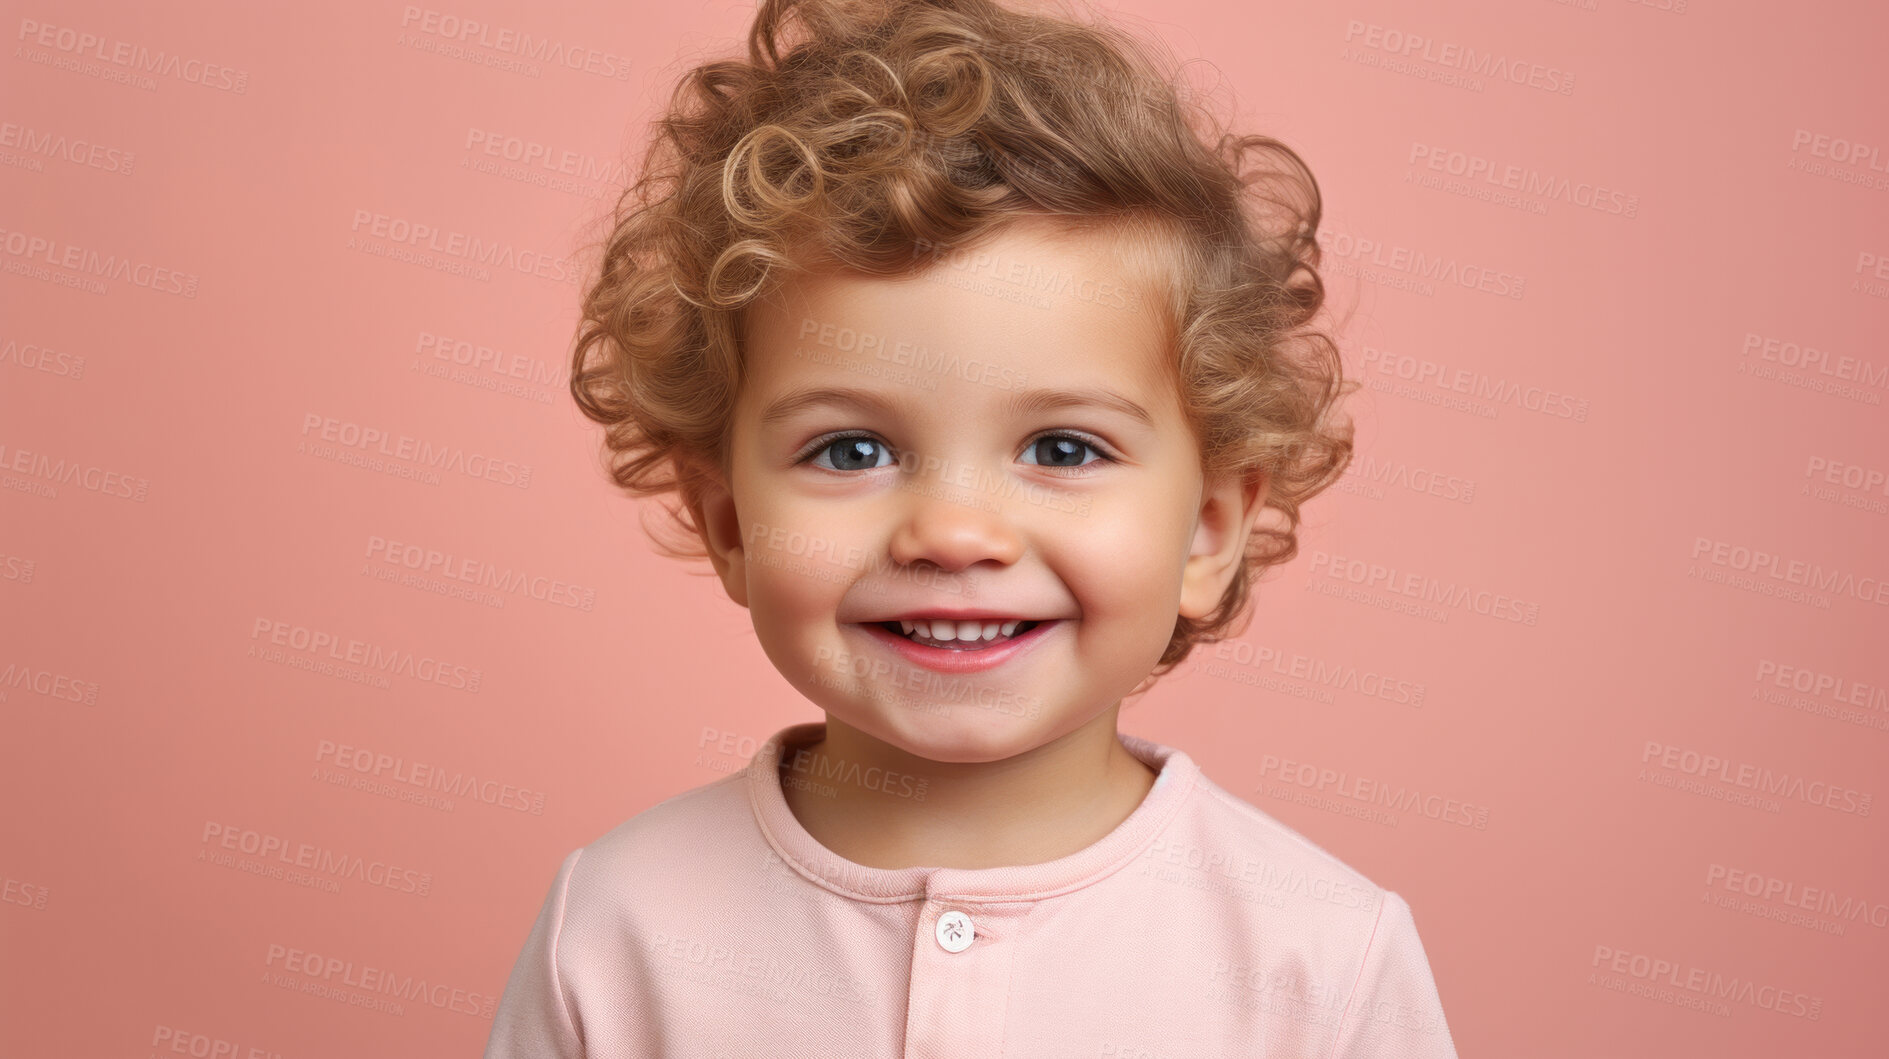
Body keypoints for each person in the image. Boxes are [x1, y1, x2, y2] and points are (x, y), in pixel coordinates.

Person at [486, 0, 1457, 1054]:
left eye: (1061, 450)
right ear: (726, 523)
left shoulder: (1317, 960)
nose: (952, 533)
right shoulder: (621, 927)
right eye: (851, 451)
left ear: (1207, 530)